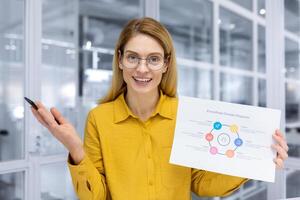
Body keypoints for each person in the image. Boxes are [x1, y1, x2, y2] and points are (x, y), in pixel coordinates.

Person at [30, 17, 289, 200]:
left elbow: (203, 184)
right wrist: (75, 148)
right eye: (133, 57)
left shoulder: (186, 115)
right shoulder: (100, 118)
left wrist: (255, 159)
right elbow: (96, 196)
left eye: (153, 59)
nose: (142, 69)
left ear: (166, 64)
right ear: (120, 60)